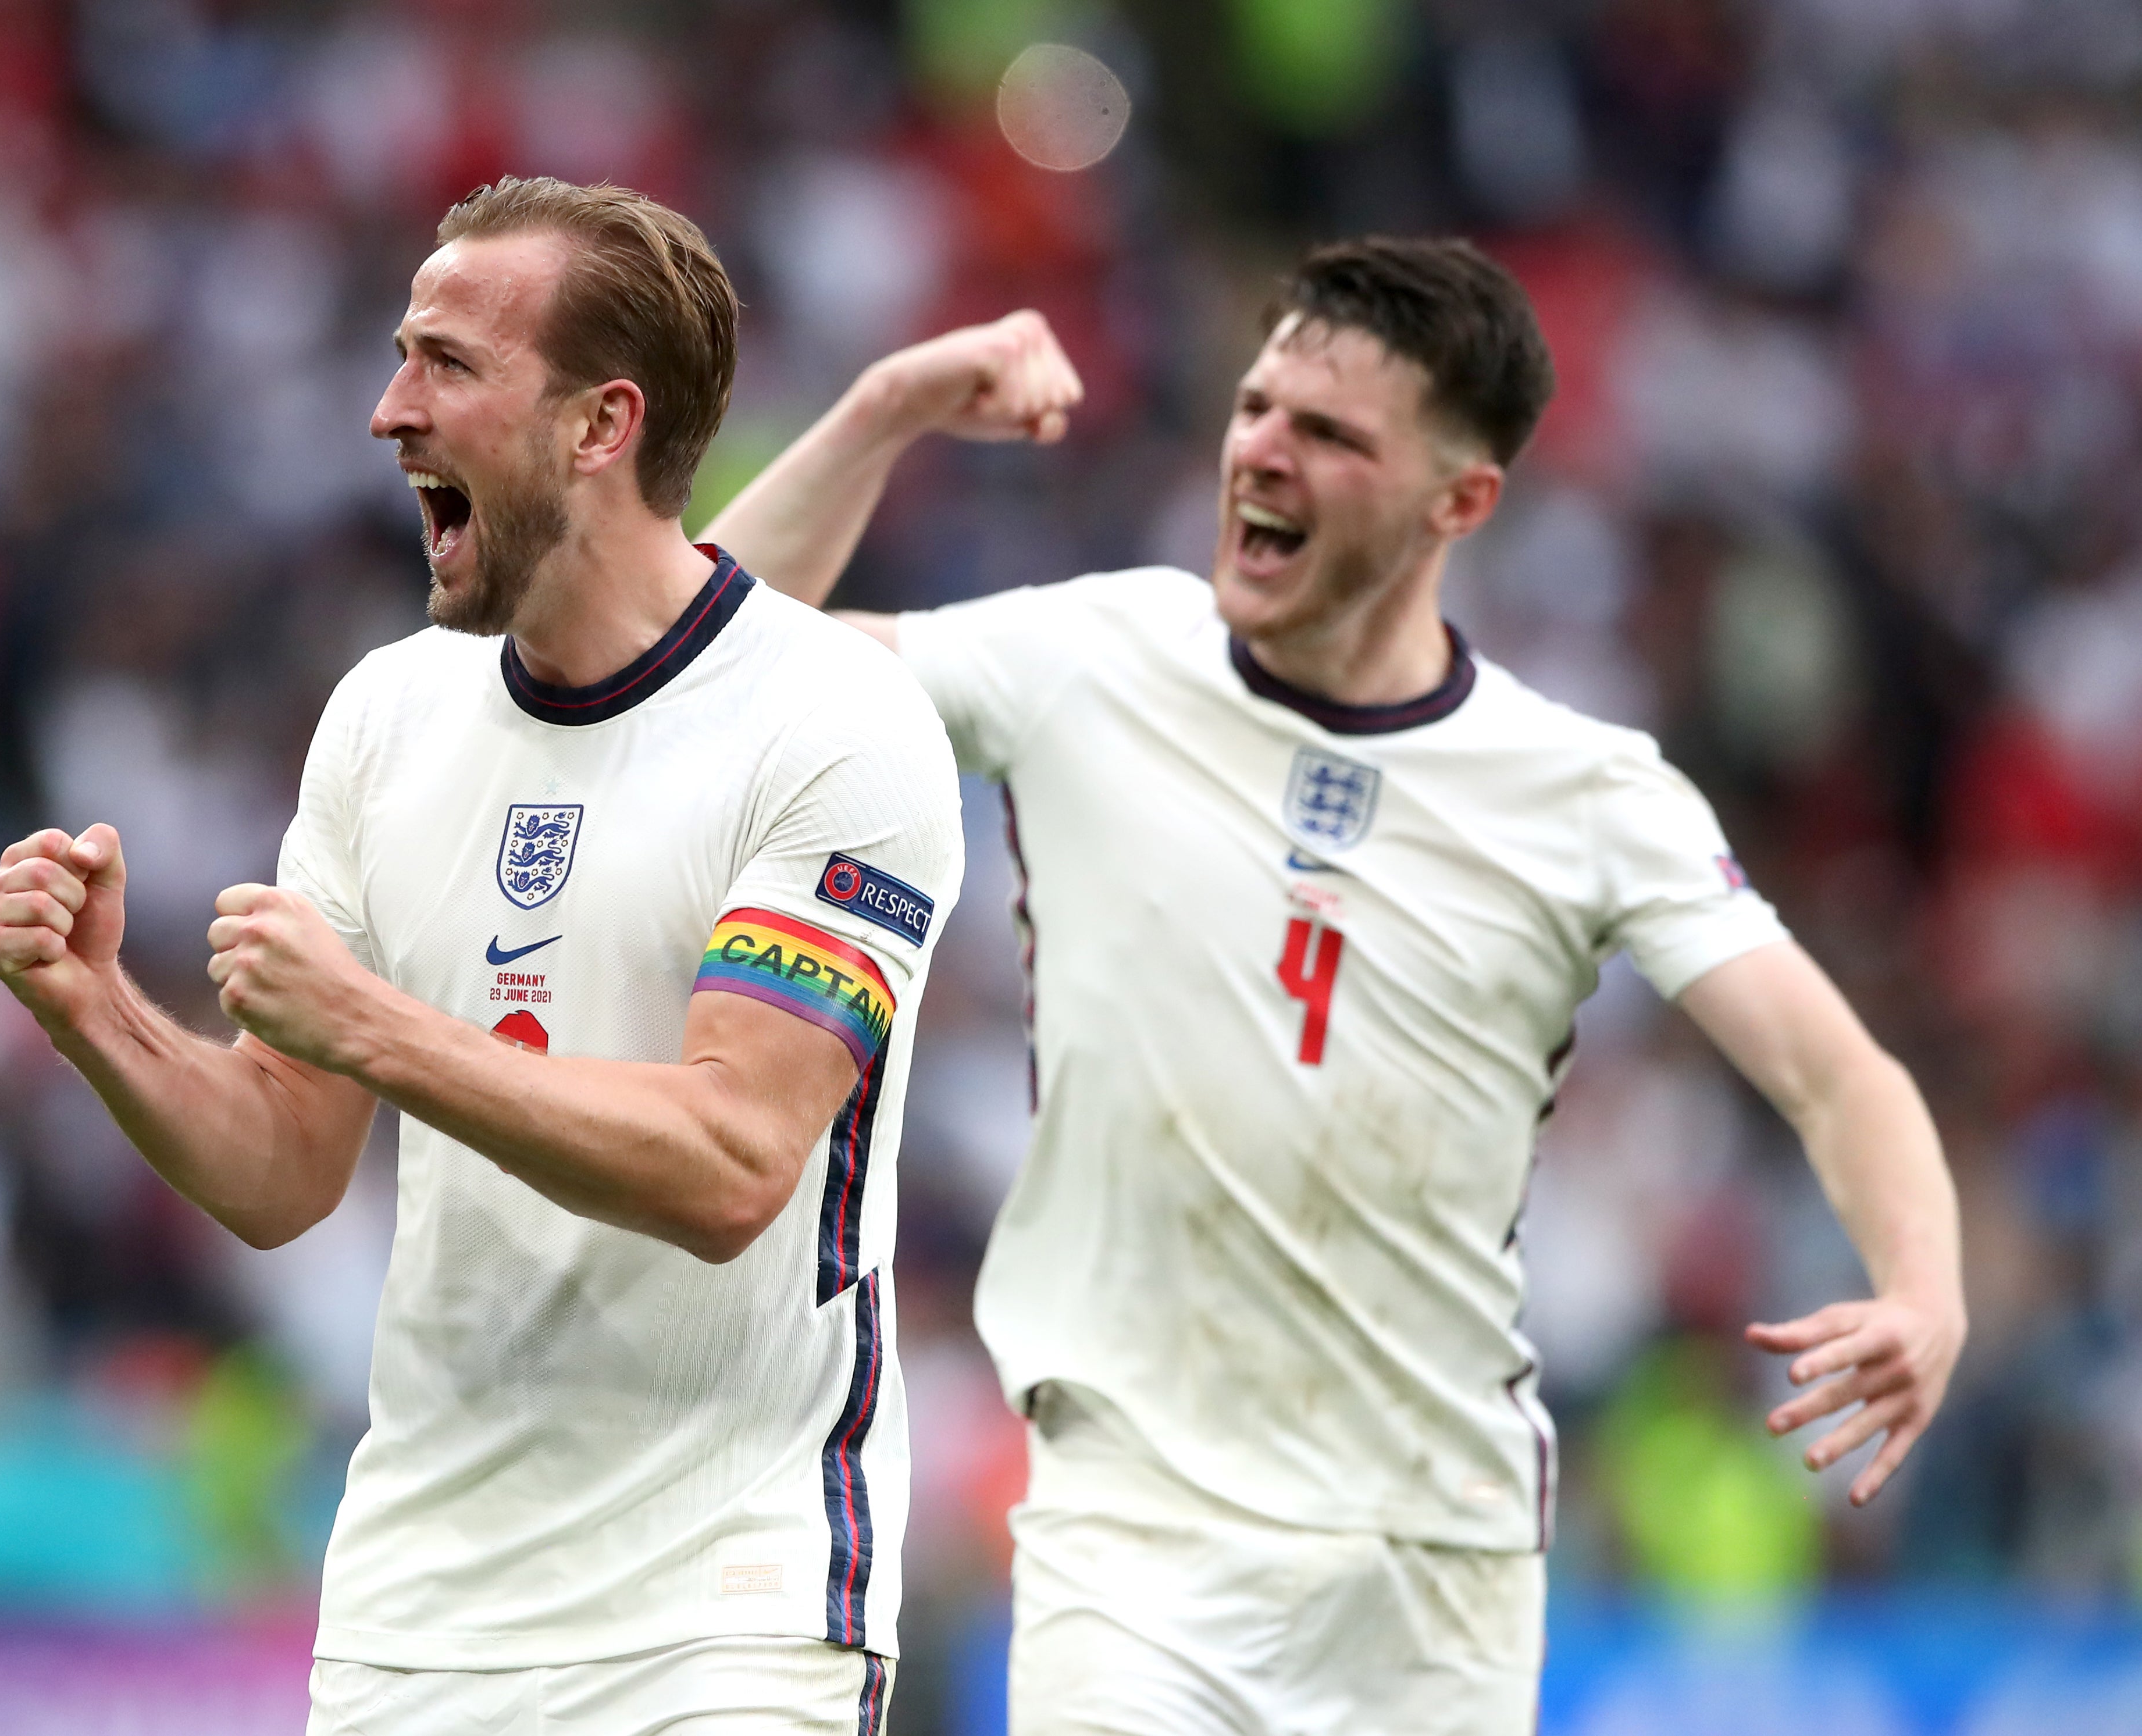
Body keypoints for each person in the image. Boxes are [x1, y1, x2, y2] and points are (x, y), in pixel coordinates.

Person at [704, 238, 1966, 1733]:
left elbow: (1838, 1073)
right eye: (1254, 409)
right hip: (1131, 1523)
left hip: (1429, 1563)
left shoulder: (1584, 789)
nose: (1262, 453)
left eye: (1328, 434)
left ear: (1461, 501)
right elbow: (713, 669)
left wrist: (1924, 1289)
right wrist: (886, 409)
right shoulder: (1090, 655)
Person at [0, 176, 961, 1736]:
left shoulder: (829, 724)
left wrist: (377, 1027)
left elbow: (727, 1162)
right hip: (417, 1623)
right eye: (396, 356)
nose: (386, 411)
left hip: (725, 1619)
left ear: (598, 425)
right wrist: (100, 1013)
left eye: (445, 364)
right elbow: (286, 1171)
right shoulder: (388, 715)